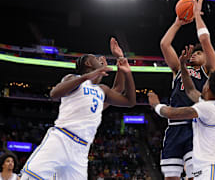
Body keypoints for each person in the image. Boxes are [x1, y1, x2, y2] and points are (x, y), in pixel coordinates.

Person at [20, 38, 136, 180]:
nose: (100, 60)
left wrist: (124, 66)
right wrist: (90, 76)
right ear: (87, 63)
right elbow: (54, 93)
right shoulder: (73, 79)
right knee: (30, 177)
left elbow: (126, 97)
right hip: (62, 139)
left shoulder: (101, 91)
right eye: (95, 58)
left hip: (81, 149)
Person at [148, 45, 215, 179]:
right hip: (209, 165)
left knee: (192, 175)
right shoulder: (208, 104)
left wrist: (156, 105)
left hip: (210, 169)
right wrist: (182, 65)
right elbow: (190, 90)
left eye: (206, 83)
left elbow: (171, 113)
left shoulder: (206, 108)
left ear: (208, 87)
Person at [159, 0, 215, 180]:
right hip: (174, 126)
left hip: (195, 126)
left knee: (195, 175)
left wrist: (197, 17)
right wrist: (177, 23)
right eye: (194, 53)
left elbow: (209, 52)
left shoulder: (207, 72)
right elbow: (164, 44)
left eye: (199, 53)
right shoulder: (179, 68)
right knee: (171, 177)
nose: (195, 55)